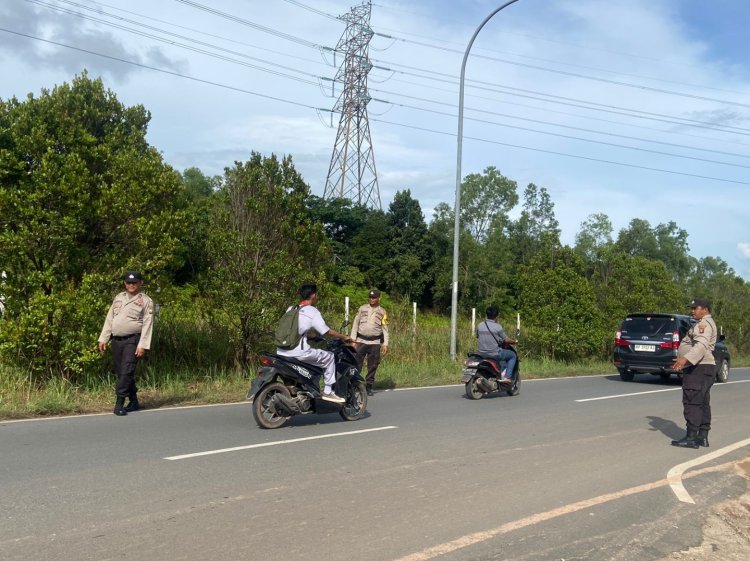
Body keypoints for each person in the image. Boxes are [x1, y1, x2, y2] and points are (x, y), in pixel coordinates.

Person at [277, 282, 351, 404]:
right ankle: (328, 392)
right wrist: (344, 337)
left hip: (281, 350)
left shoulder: (291, 308)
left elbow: (295, 330)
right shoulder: (312, 311)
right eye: (316, 294)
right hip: (298, 352)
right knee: (329, 357)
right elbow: (326, 331)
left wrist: (311, 336)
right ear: (313, 295)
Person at [98, 271, 154, 416]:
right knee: (121, 372)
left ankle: (119, 404)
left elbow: (148, 324)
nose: (131, 285)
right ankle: (134, 400)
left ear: (140, 283)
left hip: (133, 340)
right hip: (117, 340)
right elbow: (110, 318)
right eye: (129, 282)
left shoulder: (146, 300)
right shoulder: (119, 297)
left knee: (127, 371)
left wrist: (143, 344)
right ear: (125, 283)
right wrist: (103, 338)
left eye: (134, 282)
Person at [670, 298, 718, 449]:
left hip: (699, 367)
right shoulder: (703, 323)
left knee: (692, 400)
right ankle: (702, 437)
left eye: (695, 308)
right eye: (691, 308)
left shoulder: (703, 324)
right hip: (704, 367)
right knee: (702, 402)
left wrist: (685, 359)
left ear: (705, 309)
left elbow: (701, 345)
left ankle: (691, 437)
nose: (692, 310)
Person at [350, 289, 389, 396]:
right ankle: (354, 385)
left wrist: (385, 343)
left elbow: (385, 328)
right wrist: (353, 339)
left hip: (375, 342)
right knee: (356, 363)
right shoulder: (362, 308)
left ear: (379, 298)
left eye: (374, 297)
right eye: (370, 297)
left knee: (373, 365)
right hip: (360, 341)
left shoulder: (382, 311)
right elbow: (355, 324)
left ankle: (369, 385)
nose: (371, 299)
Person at [476, 306, 518, 381]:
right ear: (497, 316)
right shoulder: (498, 327)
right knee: (513, 355)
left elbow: (477, 336)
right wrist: (514, 341)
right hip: (494, 354)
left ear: (486, 314)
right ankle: (507, 377)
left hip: (481, 353)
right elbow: (506, 340)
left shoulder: (479, 325)